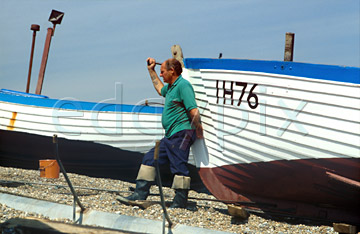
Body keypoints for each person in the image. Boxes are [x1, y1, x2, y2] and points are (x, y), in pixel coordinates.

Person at [117, 57, 203, 208]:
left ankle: (180, 201)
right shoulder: (170, 87)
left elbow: (193, 110)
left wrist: (199, 130)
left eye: (163, 72)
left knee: (179, 166)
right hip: (170, 135)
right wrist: (151, 71)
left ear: (172, 70)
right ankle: (140, 194)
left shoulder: (183, 86)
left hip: (182, 133)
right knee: (150, 159)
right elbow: (159, 88)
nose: (161, 75)